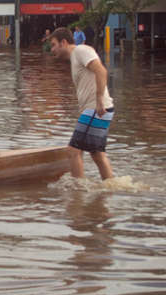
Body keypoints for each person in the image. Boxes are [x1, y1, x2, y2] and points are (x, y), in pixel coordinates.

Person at [49, 27, 115, 181]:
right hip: (98, 108)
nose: (52, 50)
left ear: (63, 42)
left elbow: (101, 71)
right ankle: (110, 186)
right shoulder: (75, 58)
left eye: (53, 44)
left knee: (73, 151)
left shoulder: (81, 50)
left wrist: (98, 100)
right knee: (97, 153)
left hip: (97, 108)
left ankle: (78, 192)